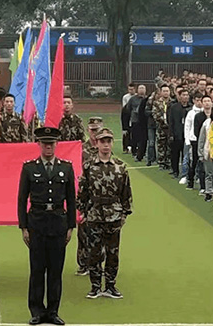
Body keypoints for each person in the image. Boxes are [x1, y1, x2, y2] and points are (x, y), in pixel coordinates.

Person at [17, 126, 75, 326]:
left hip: (58, 223)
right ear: (39, 145)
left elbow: (71, 199)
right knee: (37, 270)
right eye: (45, 143)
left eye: (51, 143)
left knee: (55, 271)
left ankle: (53, 311)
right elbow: (22, 199)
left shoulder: (66, 167)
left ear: (56, 145)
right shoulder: (29, 168)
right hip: (37, 223)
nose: (48, 147)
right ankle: (36, 311)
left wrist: (70, 226)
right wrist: (24, 227)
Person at [79, 128, 133, 300]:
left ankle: (110, 285)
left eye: (108, 141)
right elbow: (83, 191)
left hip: (114, 215)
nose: (106, 145)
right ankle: (95, 286)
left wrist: (124, 213)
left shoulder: (120, 166)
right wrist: (83, 212)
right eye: (102, 141)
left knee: (112, 253)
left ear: (112, 144)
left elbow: (126, 192)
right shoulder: (89, 166)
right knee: (94, 253)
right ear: (97, 143)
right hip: (95, 214)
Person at [77, 117, 103, 278]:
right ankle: (83, 263)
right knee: (84, 231)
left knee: (101, 232)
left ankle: (97, 263)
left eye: (98, 130)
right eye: (93, 130)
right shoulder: (81, 149)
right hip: (86, 195)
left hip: (101, 195)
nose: (95, 133)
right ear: (88, 130)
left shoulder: (104, 148)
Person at [167, 89, 190, 178]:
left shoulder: (190, 108)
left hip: (187, 135)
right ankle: (175, 171)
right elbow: (171, 121)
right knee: (175, 154)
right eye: (183, 95)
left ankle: (186, 173)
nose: (185, 97)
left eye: (187, 95)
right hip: (177, 134)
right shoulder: (174, 107)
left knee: (186, 156)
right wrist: (171, 134)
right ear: (179, 96)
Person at [123, 85, 147, 161]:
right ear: (138, 90)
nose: (141, 90)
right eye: (140, 88)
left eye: (143, 88)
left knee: (143, 138)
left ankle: (142, 153)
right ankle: (134, 152)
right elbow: (128, 109)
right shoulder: (133, 99)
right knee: (135, 137)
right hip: (135, 121)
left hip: (144, 122)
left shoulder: (147, 99)